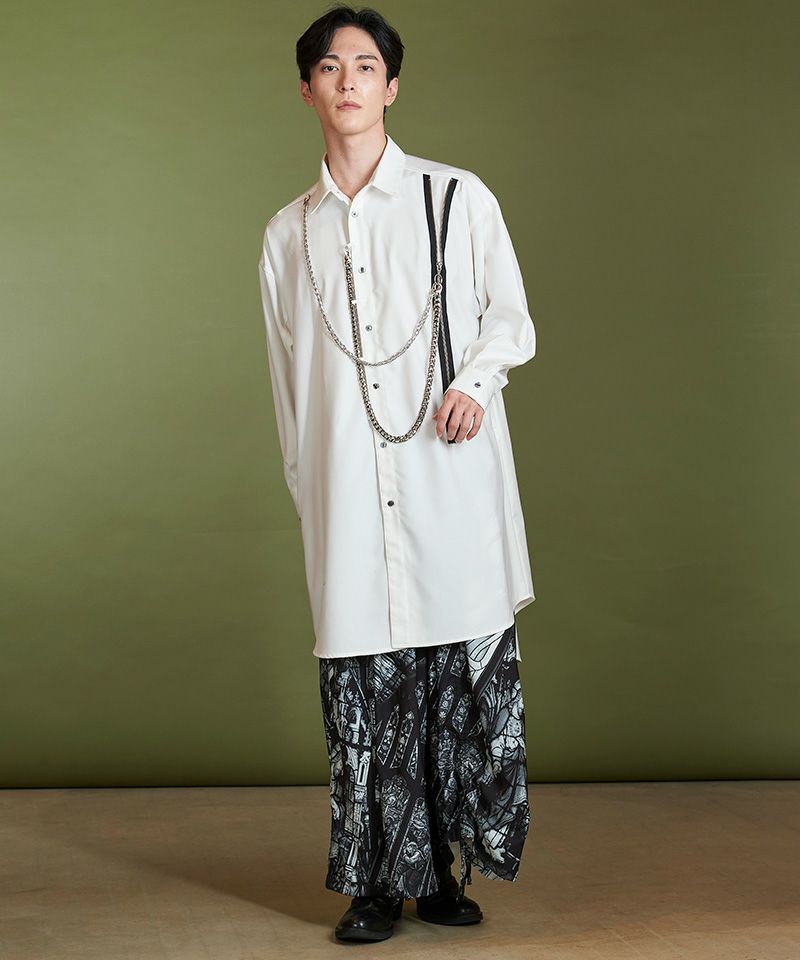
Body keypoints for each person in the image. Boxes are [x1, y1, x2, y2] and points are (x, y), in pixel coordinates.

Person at [257, 5, 537, 943]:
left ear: (392, 86)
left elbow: (510, 315)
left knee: (452, 675)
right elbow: (289, 383)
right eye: (330, 68)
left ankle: (443, 872)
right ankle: (374, 884)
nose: (349, 81)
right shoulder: (287, 235)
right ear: (306, 89)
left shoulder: (455, 198)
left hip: (445, 479)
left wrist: (473, 382)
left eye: (366, 66)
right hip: (346, 493)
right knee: (365, 688)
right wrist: (312, 494)